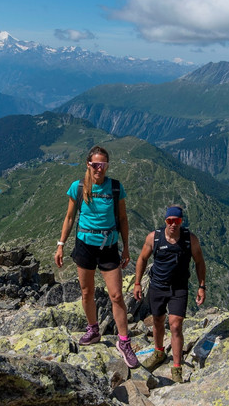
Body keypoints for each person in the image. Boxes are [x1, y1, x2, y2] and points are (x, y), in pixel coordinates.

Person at [54, 145, 137, 368]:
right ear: (88, 165)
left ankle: (123, 341)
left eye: (103, 165)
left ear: (107, 166)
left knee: (117, 295)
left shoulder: (116, 188)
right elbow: (70, 217)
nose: (99, 168)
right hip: (85, 245)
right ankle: (93, 329)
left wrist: (126, 247)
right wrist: (61, 245)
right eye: (94, 164)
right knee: (86, 291)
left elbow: (123, 219)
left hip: (109, 246)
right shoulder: (78, 187)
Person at [133, 205, 206, 382]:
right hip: (157, 286)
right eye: (170, 221)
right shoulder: (154, 238)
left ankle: (176, 366)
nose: (173, 224)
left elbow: (199, 261)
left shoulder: (190, 239)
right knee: (158, 321)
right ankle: (158, 353)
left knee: (175, 325)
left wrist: (201, 286)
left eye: (177, 221)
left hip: (179, 288)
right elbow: (142, 258)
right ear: (165, 221)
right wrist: (137, 283)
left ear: (181, 222)